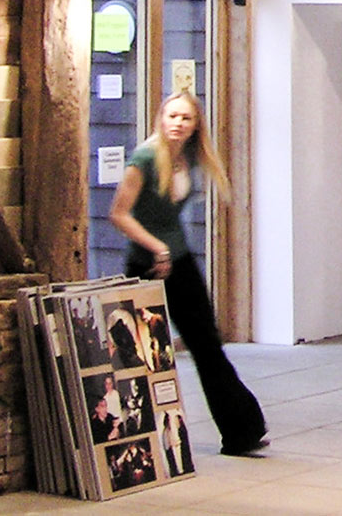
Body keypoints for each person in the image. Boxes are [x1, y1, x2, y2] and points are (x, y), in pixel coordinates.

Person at [110, 92, 268, 456]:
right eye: (172, 116)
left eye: (186, 118)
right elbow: (119, 214)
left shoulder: (187, 158)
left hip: (178, 259)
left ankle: (242, 430)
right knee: (144, 355)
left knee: (207, 344)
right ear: (160, 118)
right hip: (147, 263)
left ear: (196, 125)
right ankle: (133, 438)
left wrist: (169, 250)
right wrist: (156, 248)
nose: (178, 124)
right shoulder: (144, 158)